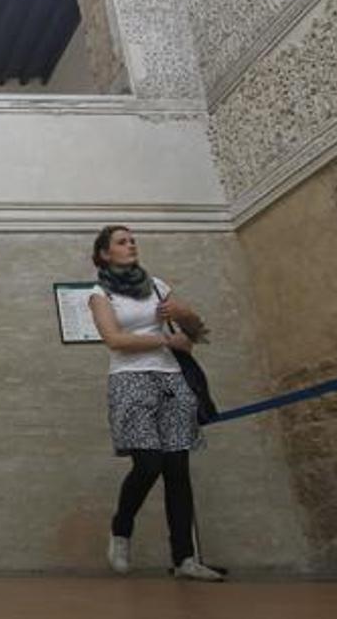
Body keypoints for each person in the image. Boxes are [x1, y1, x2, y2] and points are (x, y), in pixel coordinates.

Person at [88, 225, 223, 582]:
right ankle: (121, 527)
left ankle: (184, 559)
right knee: (148, 464)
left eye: (133, 240)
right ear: (104, 254)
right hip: (130, 380)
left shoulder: (159, 286)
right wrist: (165, 341)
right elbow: (114, 339)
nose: (130, 245)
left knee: (177, 469)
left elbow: (194, 334)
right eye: (121, 241)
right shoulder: (99, 294)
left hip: (172, 380)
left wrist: (185, 311)